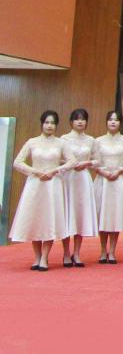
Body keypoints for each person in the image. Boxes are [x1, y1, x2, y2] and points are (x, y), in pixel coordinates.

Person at [10, 110, 75, 271]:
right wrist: (35, 172)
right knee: (36, 219)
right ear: (42, 124)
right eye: (47, 122)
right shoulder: (32, 142)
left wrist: (55, 170)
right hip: (35, 184)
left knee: (49, 219)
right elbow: (17, 162)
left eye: (52, 123)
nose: (49, 125)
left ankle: (45, 257)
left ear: (56, 125)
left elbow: (72, 161)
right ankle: (37, 256)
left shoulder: (61, 143)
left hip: (53, 185)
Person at [93, 109, 123, 264]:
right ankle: (102, 250)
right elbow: (93, 161)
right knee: (102, 214)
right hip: (103, 180)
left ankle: (112, 251)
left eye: (116, 120)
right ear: (106, 122)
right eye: (110, 119)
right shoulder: (98, 141)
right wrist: (102, 171)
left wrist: (121, 170)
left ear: (120, 123)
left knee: (115, 215)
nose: (113, 122)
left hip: (119, 180)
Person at [60, 108, 98, 267]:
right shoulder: (64, 139)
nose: (80, 122)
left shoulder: (91, 140)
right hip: (68, 178)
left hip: (83, 178)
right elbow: (58, 159)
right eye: (77, 119)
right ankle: (66, 253)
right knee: (67, 213)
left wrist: (87, 163)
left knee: (80, 214)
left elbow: (98, 160)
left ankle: (76, 253)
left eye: (83, 119)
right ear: (71, 122)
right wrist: (71, 164)